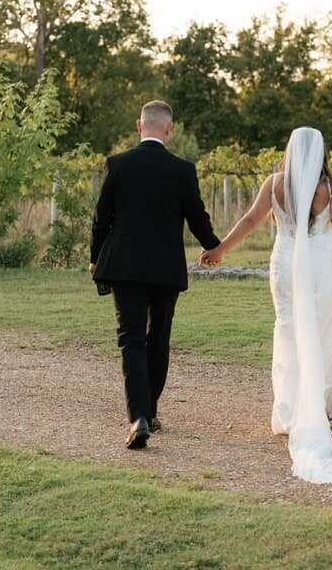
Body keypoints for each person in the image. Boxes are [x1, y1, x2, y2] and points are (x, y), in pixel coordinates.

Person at [201, 126, 332, 484]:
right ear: (322, 151)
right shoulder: (331, 188)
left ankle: (293, 409)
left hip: (285, 265)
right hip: (320, 267)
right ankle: (318, 409)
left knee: (290, 332)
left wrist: (220, 249)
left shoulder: (275, 183)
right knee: (320, 333)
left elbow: (250, 220)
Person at [90, 100, 221, 449]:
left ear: (139, 126)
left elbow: (102, 217)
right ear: (169, 129)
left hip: (125, 267)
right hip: (165, 269)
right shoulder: (182, 170)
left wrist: (94, 257)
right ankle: (150, 409)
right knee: (158, 338)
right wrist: (214, 247)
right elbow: (197, 217)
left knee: (130, 340)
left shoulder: (118, 164)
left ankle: (138, 417)